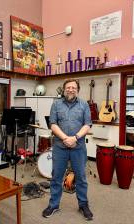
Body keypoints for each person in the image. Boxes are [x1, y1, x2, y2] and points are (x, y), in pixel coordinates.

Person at [42, 79, 93, 221]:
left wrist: (75, 138)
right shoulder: (56, 104)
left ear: (78, 89)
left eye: (73, 87)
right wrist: (66, 138)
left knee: (81, 178)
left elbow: (87, 124)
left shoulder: (84, 105)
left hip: (78, 147)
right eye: (68, 87)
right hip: (60, 147)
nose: (71, 89)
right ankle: (54, 205)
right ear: (64, 89)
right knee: (56, 177)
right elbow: (53, 124)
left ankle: (83, 205)